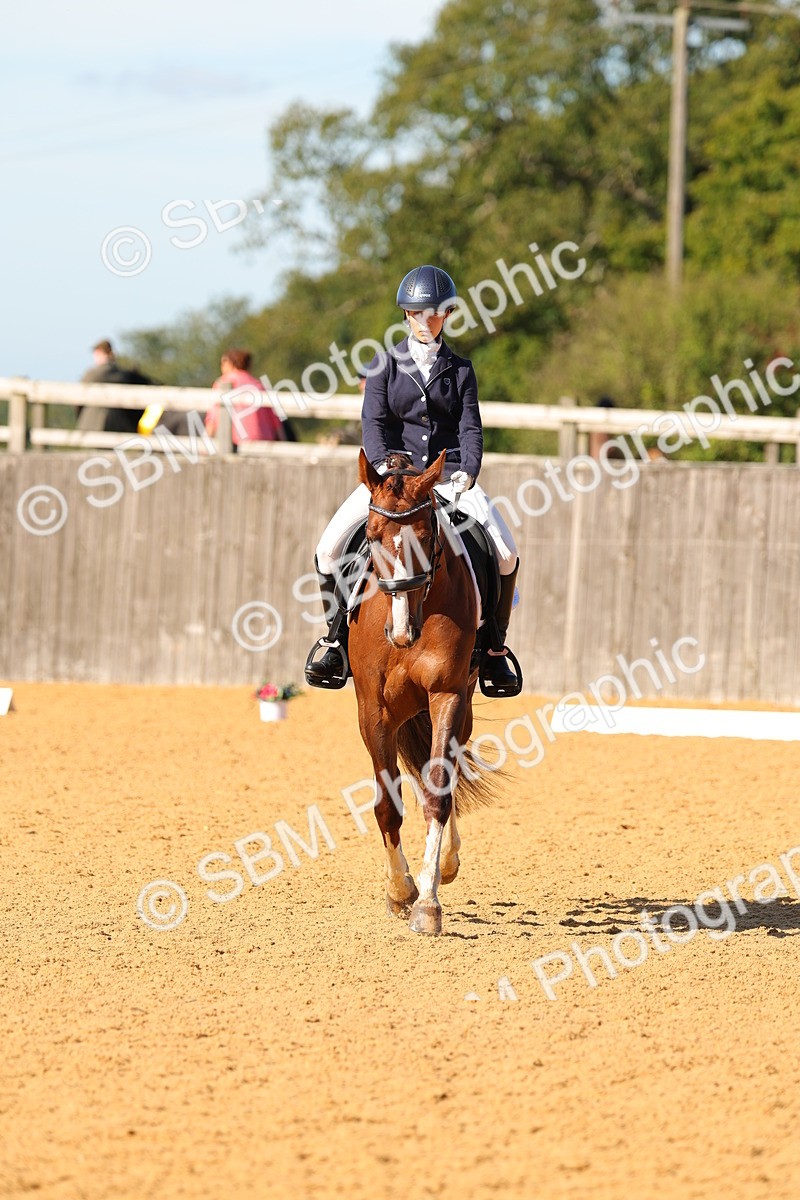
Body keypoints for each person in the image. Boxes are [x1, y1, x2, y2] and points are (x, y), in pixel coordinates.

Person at [304, 264, 521, 694]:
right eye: (420, 313)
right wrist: (385, 469)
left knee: (506, 553)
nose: (428, 320)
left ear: (446, 316)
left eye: (436, 313)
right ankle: (335, 640)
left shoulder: (461, 370)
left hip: (447, 477)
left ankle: (494, 650)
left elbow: (470, 429)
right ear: (407, 315)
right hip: (393, 480)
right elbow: (374, 422)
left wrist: (467, 472)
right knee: (328, 548)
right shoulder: (384, 365)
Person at [205, 349, 285, 449]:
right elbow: (275, 422)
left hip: (234, 443)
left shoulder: (222, 383)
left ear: (229, 363)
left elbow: (213, 418)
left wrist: (205, 445)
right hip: (263, 443)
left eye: (223, 364)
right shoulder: (259, 385)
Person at [77, 339, 152, 433]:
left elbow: (78, 400)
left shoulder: (92, 374)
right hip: (118, 425)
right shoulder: (123, 374)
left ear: (99, 353)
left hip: (91, 425)